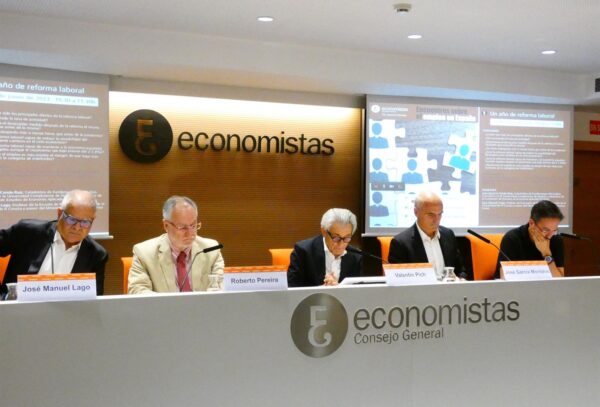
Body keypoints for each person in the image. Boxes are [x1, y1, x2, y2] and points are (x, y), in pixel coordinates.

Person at [0, 189, 108, 295]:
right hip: (17, 305)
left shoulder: (96, 255)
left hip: (67, 307)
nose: (77, 227)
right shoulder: (27, 232)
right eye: (72, 220)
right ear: (60, 213)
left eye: (85, 222)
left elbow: (94, 298)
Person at [128, 196, 224, 293]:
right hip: (163, 303)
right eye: (182, 227)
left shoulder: (211, 250)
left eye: (193, 225)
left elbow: (221, 288)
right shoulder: (144, 253)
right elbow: (138, 291)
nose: (190, 233)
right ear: (166, 225)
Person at [388, 191, 465, 279]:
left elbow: (461, 270)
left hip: (450, 287)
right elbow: (399, 280)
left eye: (440, 214)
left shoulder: (448, 235)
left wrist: (461, 280)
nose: (436, 220)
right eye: (431, 214)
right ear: (416, 212)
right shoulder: (400, 243)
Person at [287, 208, 362, 287]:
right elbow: (291, 287)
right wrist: (322, 290)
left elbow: (362, 290)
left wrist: (340, 289)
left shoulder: (357, 257)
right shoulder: (303, 252)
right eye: (336, 238)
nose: (341, 244)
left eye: (347, 238)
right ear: (324, 231)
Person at [495, 200, 565, 278]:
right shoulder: (512, 239)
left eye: (554, 230)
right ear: (532, 223)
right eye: (545, 230)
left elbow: (560, 281)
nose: (550, 236)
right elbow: (504, 278)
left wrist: (546, 254)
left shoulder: (556, 240)